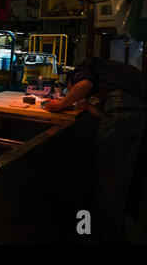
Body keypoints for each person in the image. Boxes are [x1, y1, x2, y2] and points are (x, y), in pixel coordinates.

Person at [44, 57, 147, 244]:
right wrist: (88, 106)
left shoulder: (85, 67)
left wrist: (61, 104)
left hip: (120, 114)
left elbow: (83, 85)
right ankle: (121, 229)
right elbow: (107, 113)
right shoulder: (113, 74)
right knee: (123, 177)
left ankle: (104, 237)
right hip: (139, 116)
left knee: (107, 178)